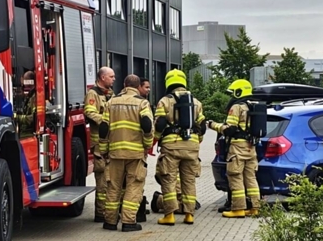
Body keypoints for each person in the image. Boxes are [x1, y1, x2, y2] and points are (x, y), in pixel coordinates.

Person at [100, 74, 154, 232]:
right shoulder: (142, 103)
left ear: (124, 85)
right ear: (138, 87)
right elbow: (147, 127)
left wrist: (103, 150)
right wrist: (147, 145)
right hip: (135, 154)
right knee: (134, 186)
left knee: (113, 187)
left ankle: (110, 221)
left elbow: (103, 128)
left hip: (115, 153)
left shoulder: (111, 102)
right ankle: (129, 222)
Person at [154, 69, 206, 225]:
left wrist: (155, 139)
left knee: (169, 179)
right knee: (189, 181)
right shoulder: (196, 102)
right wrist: (197, 141)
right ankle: (189, 215)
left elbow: (160, 124)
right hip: (192, 146)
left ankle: (169, 215)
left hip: (171, 146)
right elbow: (202, 126)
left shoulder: (165, 101)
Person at [208, 78, 261, 218]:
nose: (232, 95)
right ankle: (255, 208)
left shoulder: (237, 107)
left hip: (238, 148)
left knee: (235, 176)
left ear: (239, 92)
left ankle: (238, 209)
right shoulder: (254, 106)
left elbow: (230, 129)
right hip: (251, 147)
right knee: (251, 178)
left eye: (233, 92)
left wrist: (213, 125)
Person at [84, 67, 115, 222]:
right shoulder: (93, 94)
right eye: (111, 76)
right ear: (103, 77)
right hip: (99, 145)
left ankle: (110, 211)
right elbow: (89, 112)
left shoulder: (110, 94)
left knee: (111, 179)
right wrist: (105, 121)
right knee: (102, 180)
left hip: (111, 143)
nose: (114, 79)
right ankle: (100, 213)